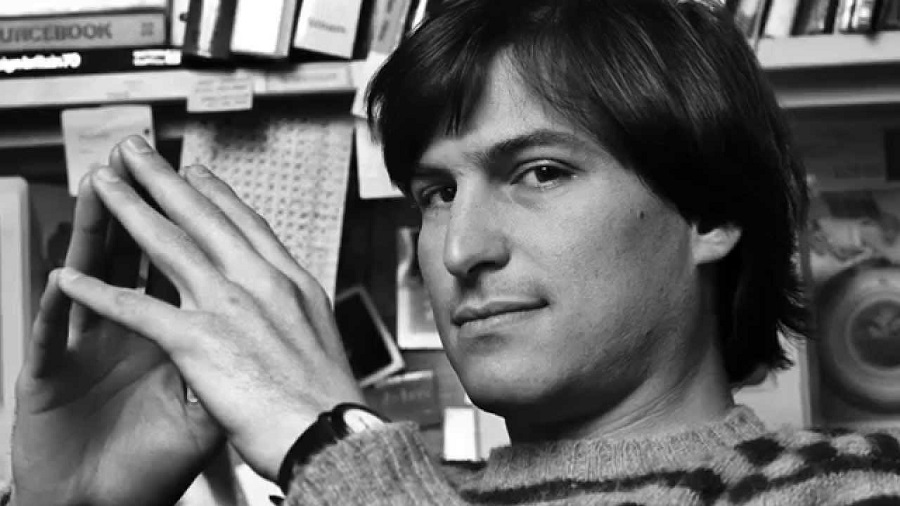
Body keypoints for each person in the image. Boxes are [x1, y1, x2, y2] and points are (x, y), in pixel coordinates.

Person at [9, 0, 900, 504]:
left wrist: (330, 446)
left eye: (540, 172)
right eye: (437, 192)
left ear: (708, 213)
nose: (461, 248)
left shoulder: (848, 488)